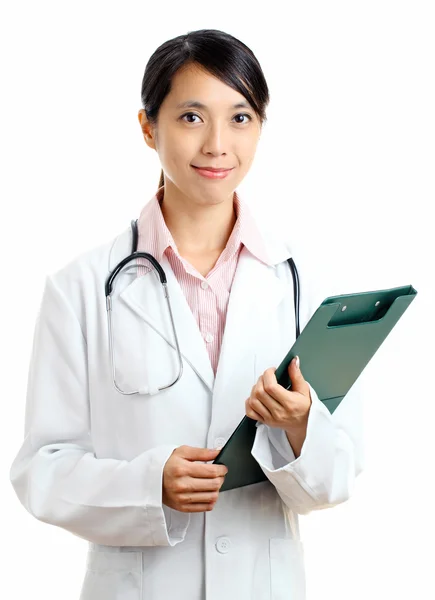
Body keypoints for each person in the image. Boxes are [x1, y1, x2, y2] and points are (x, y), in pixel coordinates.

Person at [9, 28, 364, 600]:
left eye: (240, 118)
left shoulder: (304, 285)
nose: (218, 144)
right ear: (149, 127)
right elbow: (40, 471)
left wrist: (301, 428)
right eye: (192, 117)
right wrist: (150, 484)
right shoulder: (79, 288)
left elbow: (337, 477)